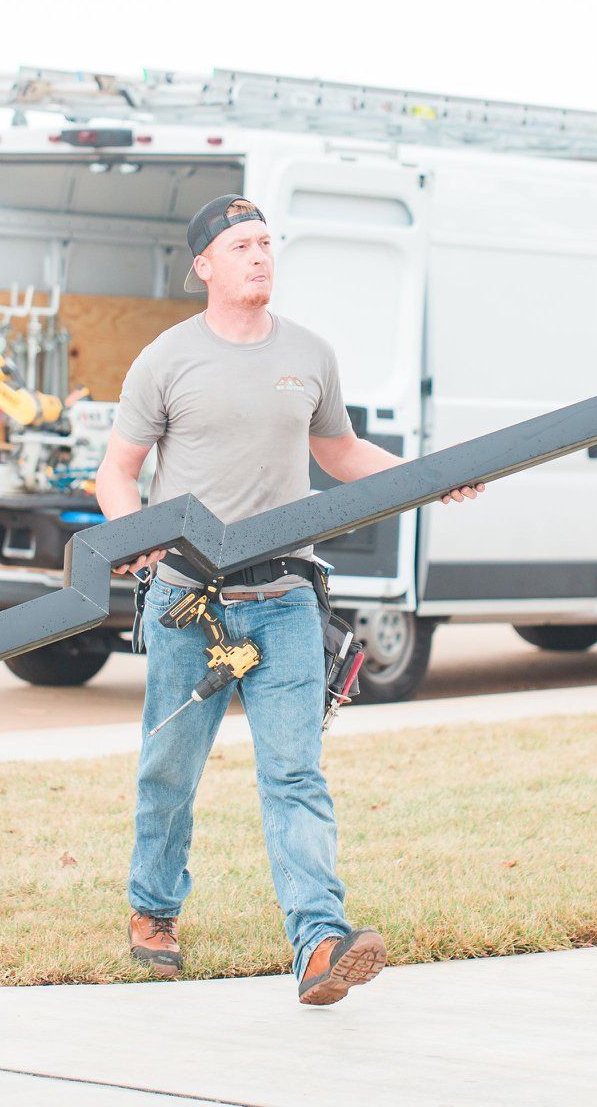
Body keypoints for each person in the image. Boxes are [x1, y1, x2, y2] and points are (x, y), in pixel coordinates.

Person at [94, 193, 483, 1006]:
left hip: (283, 599)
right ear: (205, 265)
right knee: (168, 768)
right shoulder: (165, 359)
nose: (260, 257)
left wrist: (430, 477)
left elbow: (339, 454)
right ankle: (154, 911)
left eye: (267, 243)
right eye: (241, 245)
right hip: (186, 606)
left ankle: (318, 943)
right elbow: (116, 472)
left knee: (295, 773)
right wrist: (132, 534)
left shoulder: (309, 353)